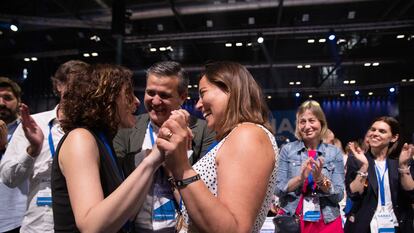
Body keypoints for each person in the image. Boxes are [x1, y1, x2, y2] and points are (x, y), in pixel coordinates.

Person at [156, 61, 278, 232]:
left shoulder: (247, 135)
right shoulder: (234, 137)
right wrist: (174, 168)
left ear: (230, 89)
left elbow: (234, 229)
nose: (198, 105)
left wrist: (182, 167)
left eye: (203, 93)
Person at [51, 64, 165, 233]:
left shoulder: (103, 141)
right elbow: (91, 225)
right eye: (128, 94)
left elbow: (128, 213)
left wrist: (155, 160)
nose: (136, 101)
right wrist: (150, 162)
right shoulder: (80, 139)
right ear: (105, 98)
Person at [113, 61, 215, 232]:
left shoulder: (205, 131)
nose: (155, 101)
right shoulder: (126, 129)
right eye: (150, 93)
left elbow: (207, 191)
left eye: (164, 95)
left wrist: (175, 162)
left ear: (182, 97)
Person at [0, 60, 89, 232]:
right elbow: (9, 179)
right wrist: (33, 149)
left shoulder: (94, 128)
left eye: (84, 85)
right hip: (38, 226)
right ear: (59, 85)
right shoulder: (35, 124)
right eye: (73, 85)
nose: (78, 92)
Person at [274, 100, 345, 233]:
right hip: (292, 219)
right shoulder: (287, 150)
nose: (307, 126)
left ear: (321, 123)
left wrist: (320, 180)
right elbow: (277, 189)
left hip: (327, 221)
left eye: (312, 120)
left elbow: (339, 195)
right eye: (302, 121)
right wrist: (300, 179)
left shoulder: (334, 152)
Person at [344, 116, 414, 233]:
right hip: (365, 225)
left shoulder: (402, 160)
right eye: (373, 129)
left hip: (397, 225)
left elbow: (411, 193)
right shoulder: (357, 160)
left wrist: (403, 167)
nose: (375, 133)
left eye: (382, 131)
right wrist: (364, 167)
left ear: (394, 137)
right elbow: (354, 194)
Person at [0, 77, 27, 233]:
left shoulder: (29, 130)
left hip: (15, 218)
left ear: (19, 101)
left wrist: (5, 147)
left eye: (7, 98)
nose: (2, 103)